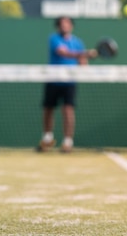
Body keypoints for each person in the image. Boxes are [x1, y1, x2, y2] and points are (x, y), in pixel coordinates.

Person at [37, 16, 97, 153]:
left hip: (69, 82)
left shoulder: (77, 42)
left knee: (68, 111)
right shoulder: (54, 39)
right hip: (53, 79)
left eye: (67, 23)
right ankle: (47, 140)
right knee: (48, 110)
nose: (65, 26)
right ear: (58, 26)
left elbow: (82, 63)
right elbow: (63, 53)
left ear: (71, 26)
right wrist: (85, 53)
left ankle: (67, 142)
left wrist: (85, 61)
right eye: (62, 23)